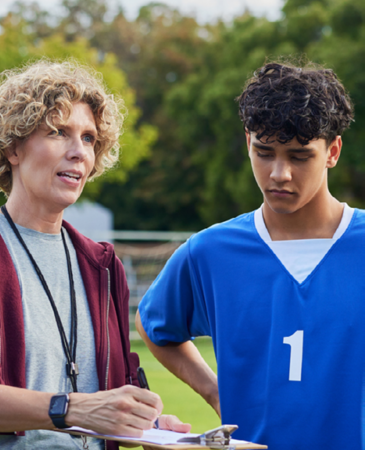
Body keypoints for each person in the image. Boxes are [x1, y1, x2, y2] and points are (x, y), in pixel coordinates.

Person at [0, 60, 190, 450]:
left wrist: (153, 426)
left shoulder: (103, 265)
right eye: (59, 132)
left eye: (89, 138)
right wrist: (74, 409)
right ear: (12, 147)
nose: (79, 152)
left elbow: (112, 395)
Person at [136, 62, 358, 450]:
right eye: (264, 152)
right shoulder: (210, 252)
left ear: (332, 152)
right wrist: (214, 391)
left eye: (299, 156)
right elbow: (154, 324)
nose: (279, 173)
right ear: (247, 142)